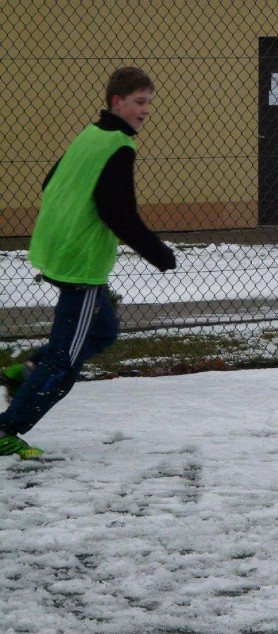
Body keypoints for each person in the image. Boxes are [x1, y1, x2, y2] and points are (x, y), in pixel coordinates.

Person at [0, 67, 176, 459]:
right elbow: (118, 212)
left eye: (149, 102)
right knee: (64, 364)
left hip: (57, 248)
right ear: (118, 102)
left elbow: (49, 182)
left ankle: (24, 370)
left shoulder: (90, 134)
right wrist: (159, 254)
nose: (146, 111)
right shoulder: (118, 146)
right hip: (79, 263)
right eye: (140, 103)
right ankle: (7, 428)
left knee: (103, 331)